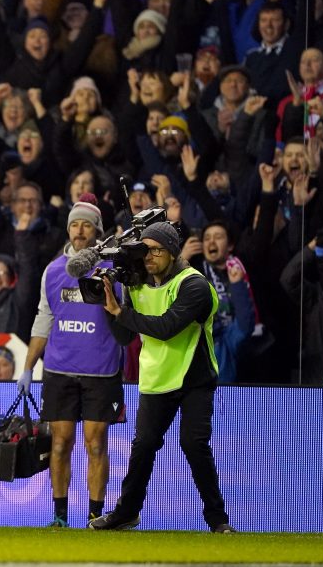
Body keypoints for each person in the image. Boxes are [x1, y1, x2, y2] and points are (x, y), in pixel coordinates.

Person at [91, 221, 235, 534]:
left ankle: (218, 520)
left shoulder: (193, 285)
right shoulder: (137, 284)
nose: (150, 256)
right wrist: (109, 306)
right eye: (146, 250)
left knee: (193, 444)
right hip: (157, 377)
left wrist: (121, 313)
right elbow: (123, 337)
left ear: (172, 252)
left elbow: (166, 328)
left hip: (195, 378)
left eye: (157, 250)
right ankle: (126, 513)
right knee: (143, 445)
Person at [18, 197, 125, 527]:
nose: (80, 231)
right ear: (68, 229)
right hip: (59, 371)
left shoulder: (114, 270)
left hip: (101, 371)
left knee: (96, 445)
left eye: (87, 224)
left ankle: (95, 516)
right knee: (60, 444)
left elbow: (126, 318)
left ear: (97, 231)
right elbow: (44, 318)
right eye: (75, 224)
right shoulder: (52, 272)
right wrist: (26, 367)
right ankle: (60, 517)